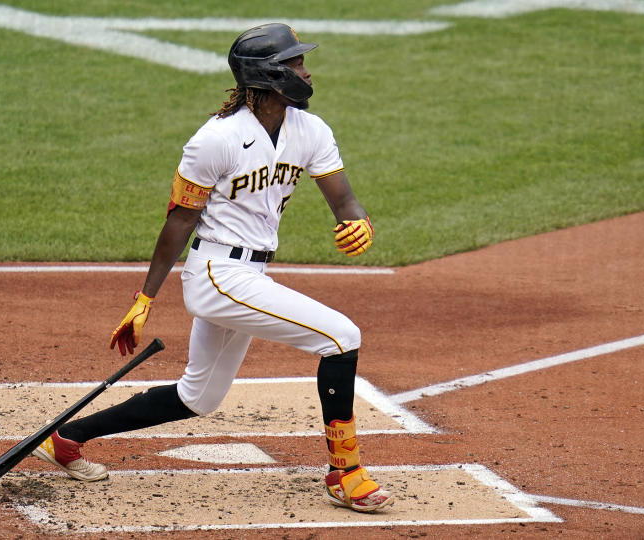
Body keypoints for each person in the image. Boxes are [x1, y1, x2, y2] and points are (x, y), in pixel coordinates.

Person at [33, 24, 391, 512]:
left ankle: (66, 438)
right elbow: (179, 220)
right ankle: (344, 472)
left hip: (249, 276)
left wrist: (359, 224)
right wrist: (145, 298)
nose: (306, 71)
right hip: (217, 275)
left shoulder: (311, 130)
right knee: (341, 337)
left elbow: (344, 199)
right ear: (268, 75)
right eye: (295, 64)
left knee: (197, 397)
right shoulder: (215, 140)